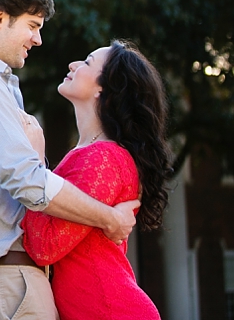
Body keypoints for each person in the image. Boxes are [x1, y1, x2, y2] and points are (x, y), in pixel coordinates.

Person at [0, 0, 139, 320]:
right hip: (5, 279)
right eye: (32, 25)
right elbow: (28, 181)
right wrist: (108, 218)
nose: (38, 39)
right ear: (0, 16)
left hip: (7, 279)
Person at [21, 40, 172, 320]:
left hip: (110, 309)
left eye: (87, 63)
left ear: (105, 87)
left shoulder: (104, 158)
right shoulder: (90, 154)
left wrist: (34, 164)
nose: (73, 65)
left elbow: (45, 246)